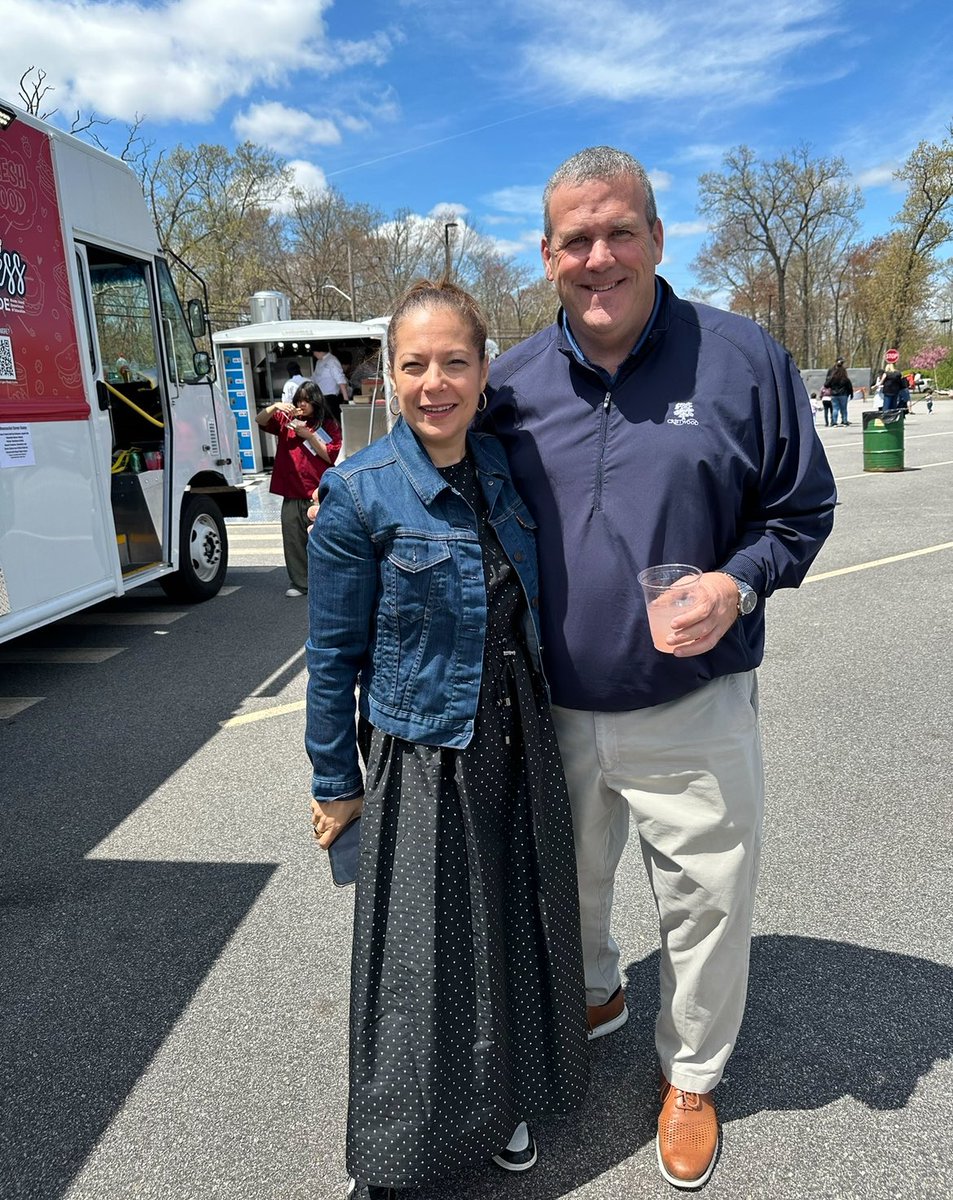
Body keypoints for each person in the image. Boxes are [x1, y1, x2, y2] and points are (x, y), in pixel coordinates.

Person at [483, 146, 837, 1191]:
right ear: (545, 254)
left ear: (656, 238)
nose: (598, 257)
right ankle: (593, 990)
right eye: (575, 240)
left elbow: (800, 510)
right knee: (568, 885)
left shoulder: (741, 359)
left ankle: (690, 1073)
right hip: (550, 702)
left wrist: (735, 585)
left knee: (703, 900)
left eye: (617, 233)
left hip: (693, 700)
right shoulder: (507, 382)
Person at [306, 281, 589, 1200]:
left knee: (512, 928)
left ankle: (505, 1102)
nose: (435, 382)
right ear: (388, 378)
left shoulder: (506, 466)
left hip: (518, 736)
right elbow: (332, 653)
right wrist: (333, 779)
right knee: (421, 960)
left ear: (483, 371)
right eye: (414, 364)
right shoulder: (356, 493)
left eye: (454, 362)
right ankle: (401, 1155)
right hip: (423, 751)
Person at [256, 381, 341, 597]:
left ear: (316, 401)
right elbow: (260, 420)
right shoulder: (287, 421)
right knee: (293, 540)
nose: (301, 404)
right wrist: (275, 407)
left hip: (317, 492)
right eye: (298, 400)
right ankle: (301, 583)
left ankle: (327, 582)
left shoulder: (327, 424)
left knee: (323, 540)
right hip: (291, 491)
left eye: (306, 400)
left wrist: (310, 436)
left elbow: (329, 456)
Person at [311, 344, 350, 420]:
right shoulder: (319, 362)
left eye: (314, 352)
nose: (314, 354)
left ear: (318, 351)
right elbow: (314, 378)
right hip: (320, 397)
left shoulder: (332, 360)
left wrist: (345, 399)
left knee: (333, 421)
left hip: (331, 398)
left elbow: (340, 379)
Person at [824, 357, 853, 426]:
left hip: (834, 394)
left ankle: (834, 422)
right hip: (843, 394)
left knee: (835, 408)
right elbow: (849, 385)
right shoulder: (845, 378)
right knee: (844, 408)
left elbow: (826, 384)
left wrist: (830, 387)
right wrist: (850, 393)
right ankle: (844, 420)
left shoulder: (832, 376)